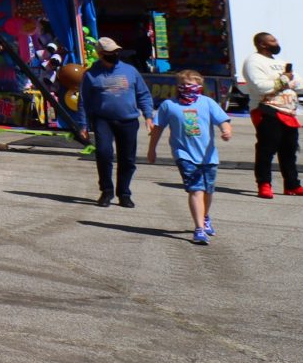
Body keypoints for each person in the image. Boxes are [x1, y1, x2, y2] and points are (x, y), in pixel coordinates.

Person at [147, 69, 233, 243]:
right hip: (184, 154)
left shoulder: (207, 103)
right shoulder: (169, 105)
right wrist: (152, 149)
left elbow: (223, 120)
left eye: (191, 84)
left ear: (199, 86)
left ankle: (205, 217)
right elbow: (157, 129)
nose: (187, 87)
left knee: (208, 191)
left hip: (208, 156)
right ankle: (199, 228)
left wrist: (226, 131)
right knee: (196, 189)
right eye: (183, 84)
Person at [81, 36, 156, 208]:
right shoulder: (91, 74)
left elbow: (143, 94)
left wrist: (148, 116)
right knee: (104, 153)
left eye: (116, 52)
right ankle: (106, 191)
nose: (114, 54)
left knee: (127, 159)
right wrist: (82, 125)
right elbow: (83, 101)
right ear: (100, 54)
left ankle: (124, 193)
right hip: (103, 120)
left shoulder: (130, 71)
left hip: (128, 119)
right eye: (110, 53)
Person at [241, 31, 303, 199]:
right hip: (266, 108)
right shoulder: (253, 61)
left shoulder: (280, 62)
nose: (277, 43)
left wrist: (285, 81)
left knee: (289, 150)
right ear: (262, 44)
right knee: (267, 149)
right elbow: (261, 87)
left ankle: (292, 185)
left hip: (288, 111)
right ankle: (264, 184)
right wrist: (285, 80)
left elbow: (300, 83)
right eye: (272, 40)